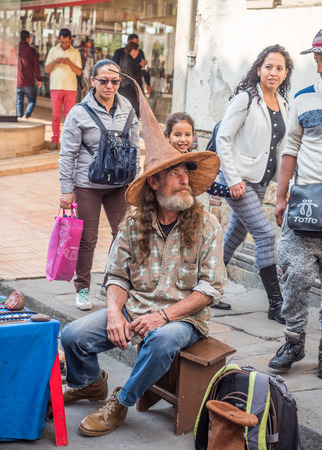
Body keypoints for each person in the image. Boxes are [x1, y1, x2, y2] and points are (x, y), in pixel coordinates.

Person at [60, 76, 225, 437]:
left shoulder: (207, 224)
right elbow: (117, 275)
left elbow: (211, 288)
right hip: (135, 308)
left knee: (163, 339)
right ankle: (89, 382)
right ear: (154, 182)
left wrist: (163, 315)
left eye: (186, 172)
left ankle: (121, 401)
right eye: (175, 173)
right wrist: (116, 313)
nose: (185, 179)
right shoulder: (134, 222)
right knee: (73, 335)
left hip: (183, 319)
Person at [216, 44, 294, 324]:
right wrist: (234, 179)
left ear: (286, 73)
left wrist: (286, 184)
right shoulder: (245, 99)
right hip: (239, 181)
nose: (273, 72)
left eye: (279, 68)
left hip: (260, 182)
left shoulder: (284, 105)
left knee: (234, 236)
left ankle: (207, 290)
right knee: (264, 235)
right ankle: (276, 304)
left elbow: (283, 148)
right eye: (268, 66)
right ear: (259, 69)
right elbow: (224, 138)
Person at [58, 59, 140, 311]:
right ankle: (82, 288)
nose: (109, 85)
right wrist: (66, 189)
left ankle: (112, 283)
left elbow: (134, 147)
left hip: (119, 184)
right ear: (92, 81)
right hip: (87, 185)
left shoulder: (127, 108)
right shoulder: (79, 112)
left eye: (115, 81)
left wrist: (135, 182)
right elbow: (67, 153)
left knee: (123, 236)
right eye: (103, 80)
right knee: (87, 239)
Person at [268, 30, 322, 378]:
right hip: (306, 205)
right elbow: (290, 150)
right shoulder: (303, 98)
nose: (318, 62)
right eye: (316, 56)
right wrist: (281, 195)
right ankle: (293, 341)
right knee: (296, 275)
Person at [164, 111, 231, 310]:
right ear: (167, 136)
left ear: (193, 136)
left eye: (187, 134)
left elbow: (207, 184)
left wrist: (228, 191)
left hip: (187, 218)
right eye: (177, 135)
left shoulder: (191, 161)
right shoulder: (161, 161)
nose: (183, 139)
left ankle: (192, 295)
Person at [45, 28, 82, 150]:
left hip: (70, 88)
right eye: (62, 42)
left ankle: (67, 142)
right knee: (55, 116)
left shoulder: (75, 53)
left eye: (66, 42)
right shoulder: (53, 50)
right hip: (55, 87)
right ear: (58, 39)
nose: (64, 44)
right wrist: (55, 62)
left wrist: (69, 63)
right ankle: (55, 140)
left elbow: (79, 72)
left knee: (69, 117)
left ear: (70, 40)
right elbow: (47, 69)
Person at [17, 30, 42, 119]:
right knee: (32, 100)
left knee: (19, 101)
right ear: (28, 39)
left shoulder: (15, 49)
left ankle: (19, 118)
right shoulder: (31, 50)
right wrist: (39, 79)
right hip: (29, 81)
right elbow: (36, 66)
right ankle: (26, 115)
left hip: (18, 81)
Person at [118, 41, 145, 117]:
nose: (138, 53)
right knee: (132, 112)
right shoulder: (130, 60)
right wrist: (143, 72)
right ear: (133, 50)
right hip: (129, 89)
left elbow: (130, 72)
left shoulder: (125, 59)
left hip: (124, 88)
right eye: (137, 50)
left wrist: (140, 67)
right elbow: (132, 76)